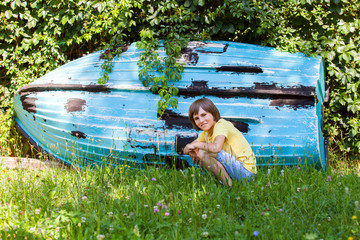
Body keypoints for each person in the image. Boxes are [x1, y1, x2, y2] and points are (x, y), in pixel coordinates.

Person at [183, 98, 257, 187]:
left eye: (204, 115)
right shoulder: (207, 133)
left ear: (213, 113)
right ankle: (226, 182)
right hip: (237, 171)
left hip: (246, 173)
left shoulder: (221, 125)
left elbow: (216, 147)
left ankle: (229, 186)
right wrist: (191, 149)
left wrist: (196, 146)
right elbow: (186, 149)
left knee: (203, 153)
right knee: (202, 152)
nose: (201, 121)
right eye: (196, 118)